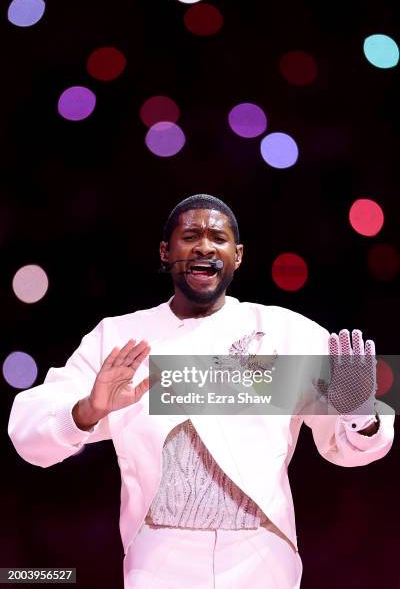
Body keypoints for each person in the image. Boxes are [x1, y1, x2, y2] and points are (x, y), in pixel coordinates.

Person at [8, 194, 394, 589]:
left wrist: (360, 414)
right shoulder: (119, 336)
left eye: (218, 238)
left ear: (238, 255)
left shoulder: (286, 332)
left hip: (262, 554)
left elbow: (354, 446)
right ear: (165, 251)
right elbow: (28, 434)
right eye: (190, 235)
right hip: (158, 558)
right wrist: (88, 410)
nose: (204, 246)